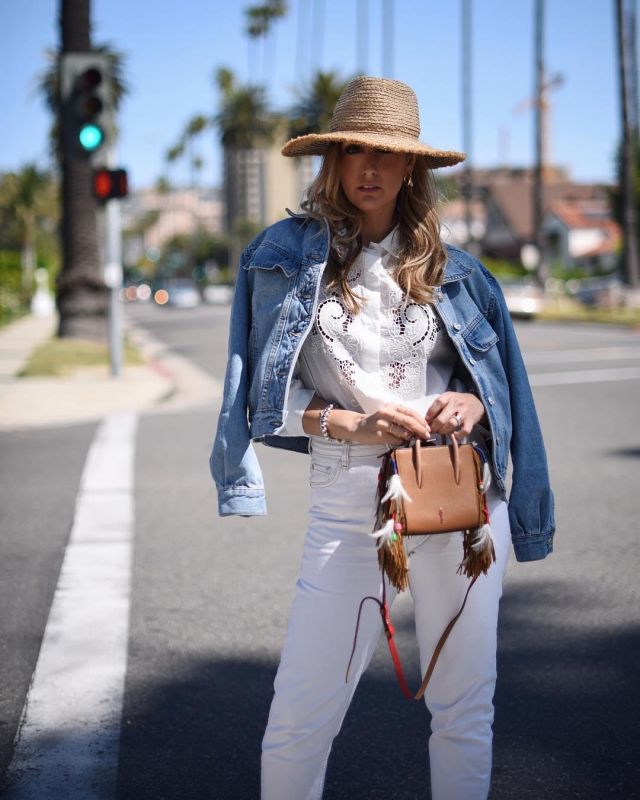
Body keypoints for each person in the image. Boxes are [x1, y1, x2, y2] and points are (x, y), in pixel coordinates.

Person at [210, 76, 555, 800]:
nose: (369, 168)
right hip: (347, 502)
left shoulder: (459, 274)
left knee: (464, 709)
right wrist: (347, 422)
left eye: (388, 154)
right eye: (354, 150)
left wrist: (466, 404)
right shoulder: (277, 258)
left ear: (412, 169)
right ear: (331, 161)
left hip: (457, 497)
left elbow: (504, 398)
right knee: (300, 714)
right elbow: (257, 399)